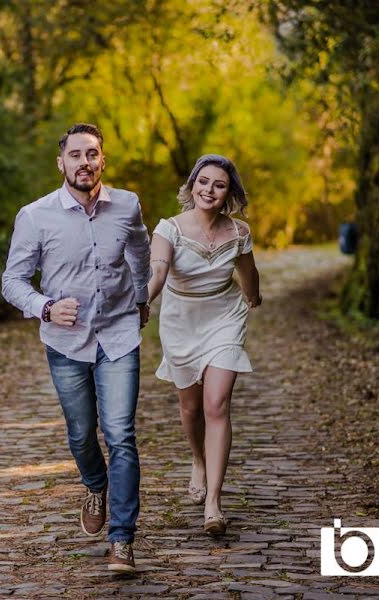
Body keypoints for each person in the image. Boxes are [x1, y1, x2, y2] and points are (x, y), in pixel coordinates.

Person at [1, 123, 151, 573]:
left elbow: (141, 251)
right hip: (66, 341)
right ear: (61, 162)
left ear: (102, 160)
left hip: (120, 333)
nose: (84, 163)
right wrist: (46, 308)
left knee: (121, 434)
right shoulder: (35, 215)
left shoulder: (126, 205)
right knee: (82, 433)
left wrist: (141, 297)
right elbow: (12, 281)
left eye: (92, 155)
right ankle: (94, 485)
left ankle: (122, 540)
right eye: (75, 155)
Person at [145, 154, 261, 535]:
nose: (209, 190)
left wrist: (253, 297)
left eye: (219, 185)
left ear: (229, 193)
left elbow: (248, 272)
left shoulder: (239, 232)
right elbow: (159, 269)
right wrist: (144, 298)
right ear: (192, 184)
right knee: (190, 406)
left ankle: (213, 502)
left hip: (224, 318)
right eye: (204, 182)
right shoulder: (169, 228)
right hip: (181, 321)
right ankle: (197, 459)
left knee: (217, 402)